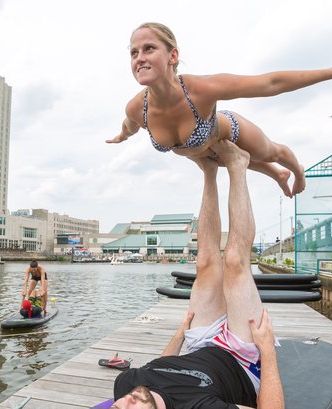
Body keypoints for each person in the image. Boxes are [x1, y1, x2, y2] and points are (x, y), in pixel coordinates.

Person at [107, 22, 332, 198]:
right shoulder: (137, 108)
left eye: (148, 48)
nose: (139, 58)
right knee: (222, 160)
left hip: (229, 129)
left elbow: (270, 83)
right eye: (133, 53)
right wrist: (122, 136)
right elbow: (129, 125)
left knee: (271, 152)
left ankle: (295, 171)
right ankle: (277, 174)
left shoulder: (202, 90)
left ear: (173, 56)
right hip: (203, 151)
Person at [112, 140, 284, 409]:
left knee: (204, 261)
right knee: (236, 262)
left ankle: (209, 171)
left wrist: (181, 333)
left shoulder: (126, 384)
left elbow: (156, 368)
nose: (124, 403)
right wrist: (268, 352)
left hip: (199, 343)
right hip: (242, 360)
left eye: (116, 407)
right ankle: (238, 165)